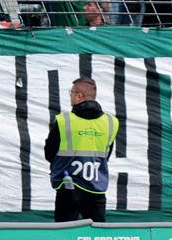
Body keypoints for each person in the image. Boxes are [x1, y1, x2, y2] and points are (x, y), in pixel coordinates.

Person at [44, 76, 119, 222]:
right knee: (97, 233)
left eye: (71, 93)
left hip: (68, 186)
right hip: (96, 186)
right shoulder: (111, 122)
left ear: (79, 96)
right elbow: (106, 154)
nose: (70, 96)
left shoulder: (64, 120)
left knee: (65, 232)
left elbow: (49, 153)